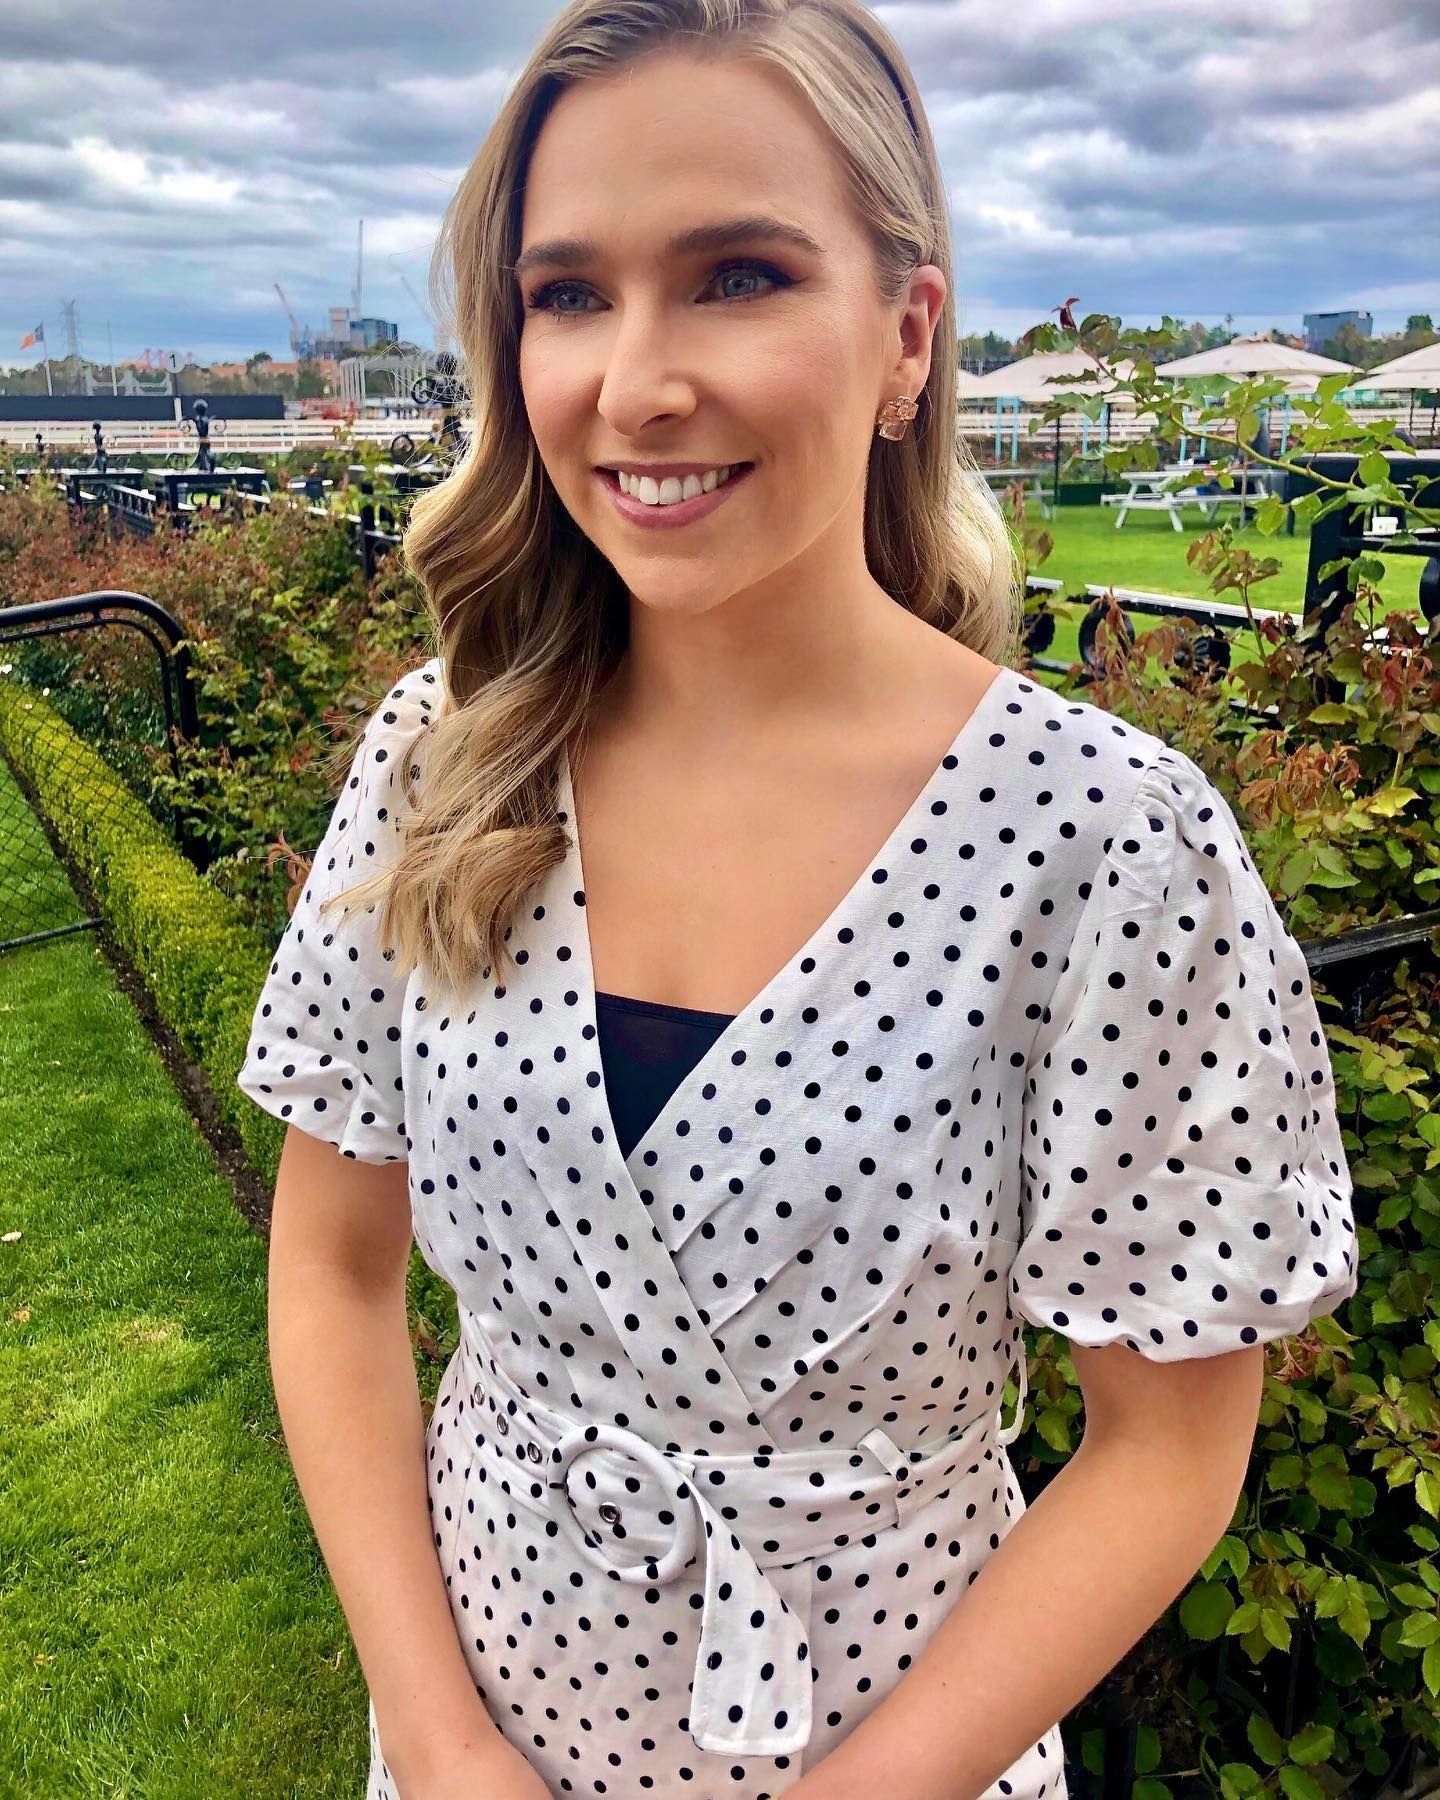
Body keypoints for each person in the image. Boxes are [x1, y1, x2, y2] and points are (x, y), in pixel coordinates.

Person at [236, 4, 1360, 1797]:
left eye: (738, 277)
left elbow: (1165, 1446)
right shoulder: (444, 761)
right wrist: (438, 1744)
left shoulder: (1105, 847)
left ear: (907, 335)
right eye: (570, 294)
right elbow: (331, 1262)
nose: (636, 383)